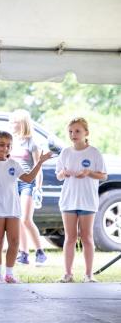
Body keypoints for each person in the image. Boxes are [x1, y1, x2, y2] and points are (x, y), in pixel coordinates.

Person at [0, 130, 52, 283]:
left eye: (8, 146)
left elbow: (28, 178)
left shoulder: (13, 163)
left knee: (14, 242)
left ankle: (9, 274)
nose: (5, 148)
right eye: (1, 145)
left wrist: (39, 162)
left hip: (12, 208)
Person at [56, 118, 107, 283]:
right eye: (70, 131)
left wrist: (88, 173)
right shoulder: (65, 152)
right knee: (70, 238)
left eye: (77, 131)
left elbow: (103, 175)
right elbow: (59, 175)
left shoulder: (94, 153)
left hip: (87, 201)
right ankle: (68, 274)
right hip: (69, 200)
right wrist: (64, 173)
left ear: (86, 133)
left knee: (87, 237)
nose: (73, 134)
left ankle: (88, 275)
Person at [9, 109, 48, 266]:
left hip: (28, 183)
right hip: (13, 183)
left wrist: (38, 188)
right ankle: (23, 253)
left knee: (26, 219)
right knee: (18, 219)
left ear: (22, 124)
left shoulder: (32, 142)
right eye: (10, 122)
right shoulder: (11, 140)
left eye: (15, 122)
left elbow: (39, 166)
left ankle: (40, 252)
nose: (11, 125)